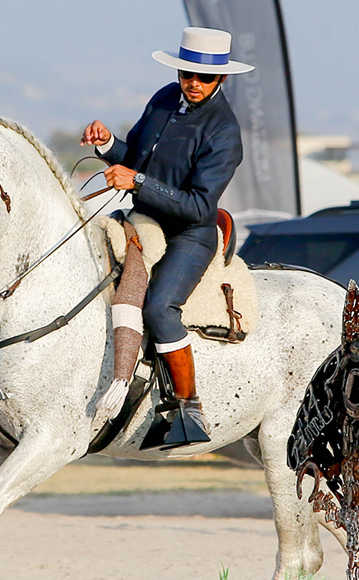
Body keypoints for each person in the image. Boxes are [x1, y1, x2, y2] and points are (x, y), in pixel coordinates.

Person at [80, 27, 253, 442]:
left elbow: (198, 206)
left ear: (222, 79)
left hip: (189, 234)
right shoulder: (162, 98)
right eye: (186, 73)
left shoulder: (224, 131)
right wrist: (108, 147)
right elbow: (134, 156)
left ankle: (187, 409)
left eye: (204, 77)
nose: (193, 83)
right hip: (143, 219)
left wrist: (136, 181)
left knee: (159, 309)